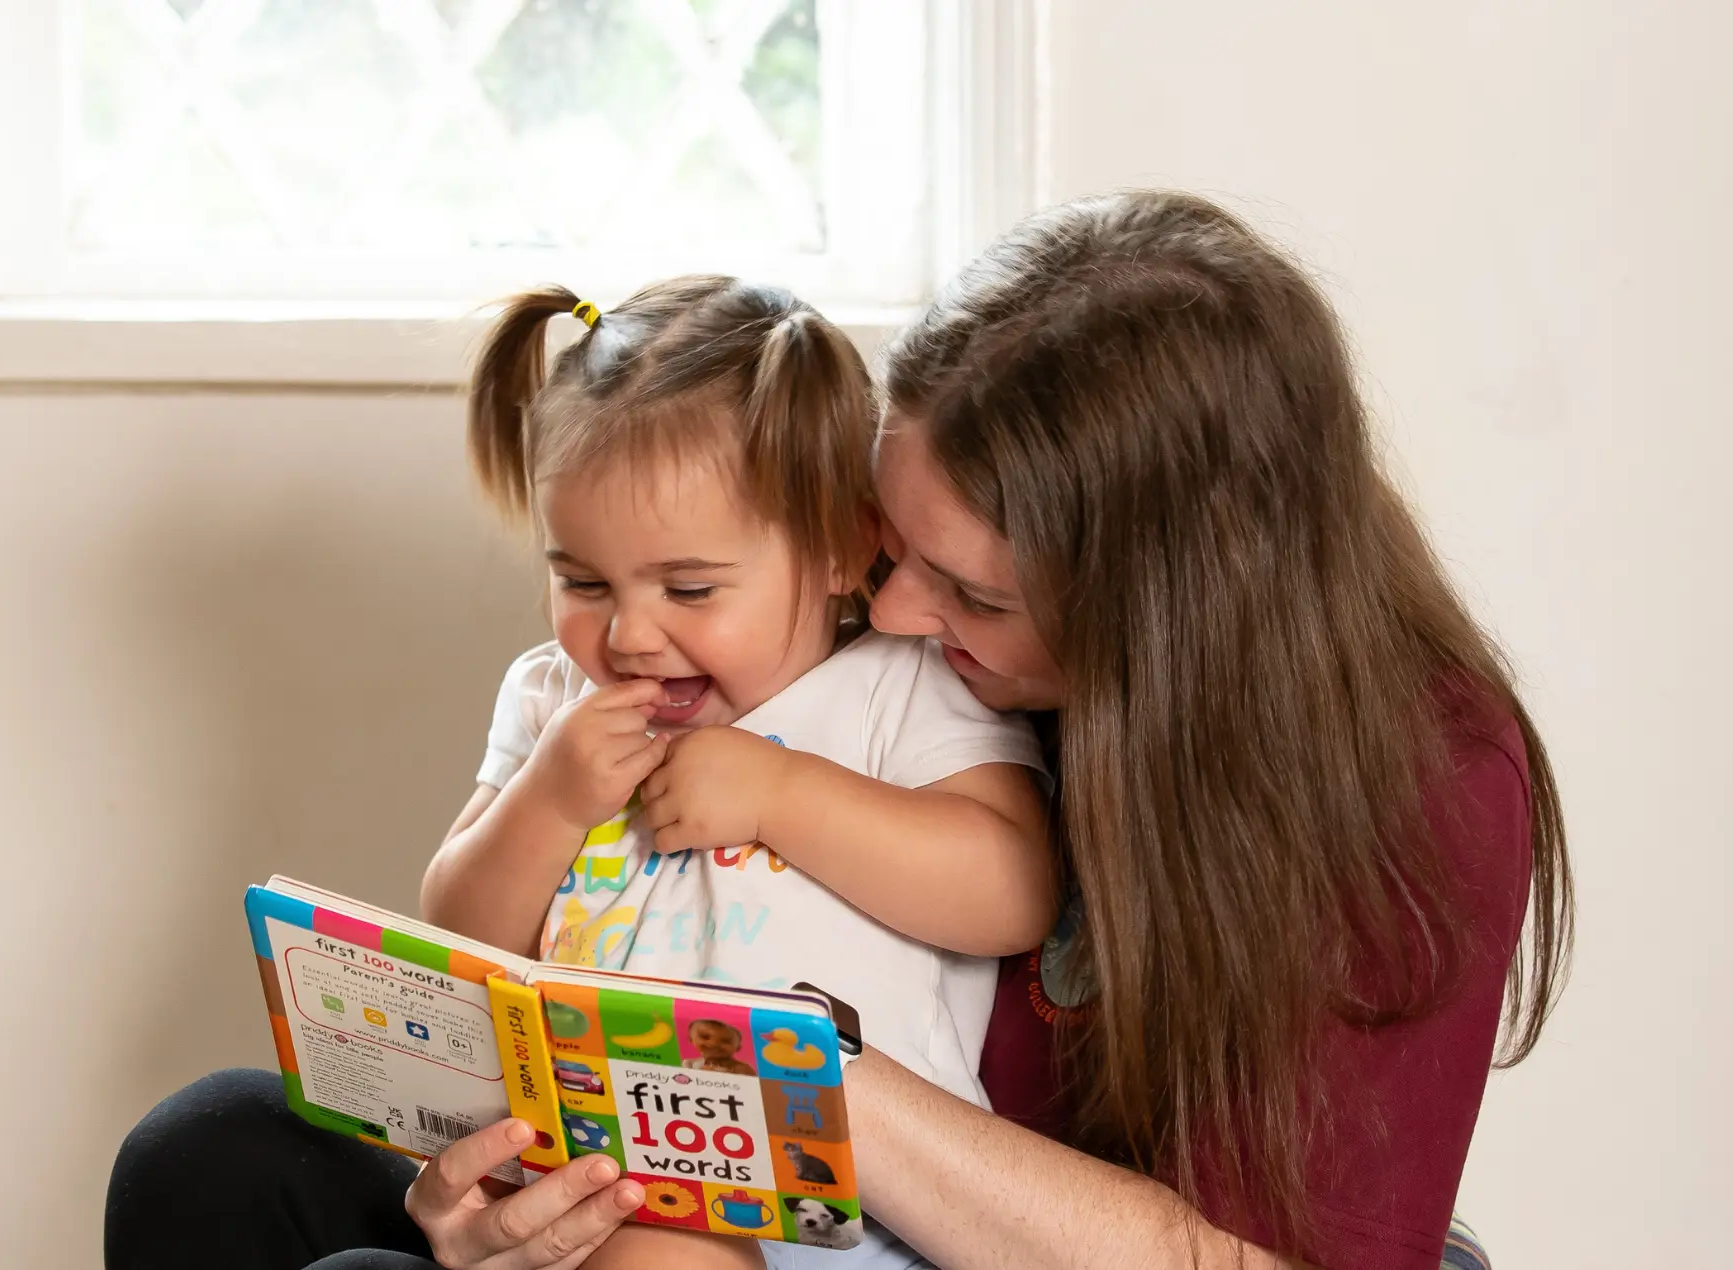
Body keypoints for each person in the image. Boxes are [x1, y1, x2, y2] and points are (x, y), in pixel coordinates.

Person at [106, 192, 1571, 1270]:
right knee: (215, 1153)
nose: (891, 602)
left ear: (1163, 601)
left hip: (928, 1231)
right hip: (674, 1172)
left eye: (971, 589)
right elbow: (484, 926)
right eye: (887, 541)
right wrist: (482, 1198)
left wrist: (799, 1085)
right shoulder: (843, 638)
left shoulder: (1415, 777)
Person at [421, 274, 1050, 1267]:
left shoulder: (898, 687)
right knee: (216, 1144)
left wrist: (778, 794)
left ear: (842, 544)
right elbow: (454, 939)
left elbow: (1011, 890)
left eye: (688, 586)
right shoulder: (553, 699)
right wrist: (547, 800)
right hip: (578, 1197)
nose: (627, 634)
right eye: (580, 581)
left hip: (841, 1228)